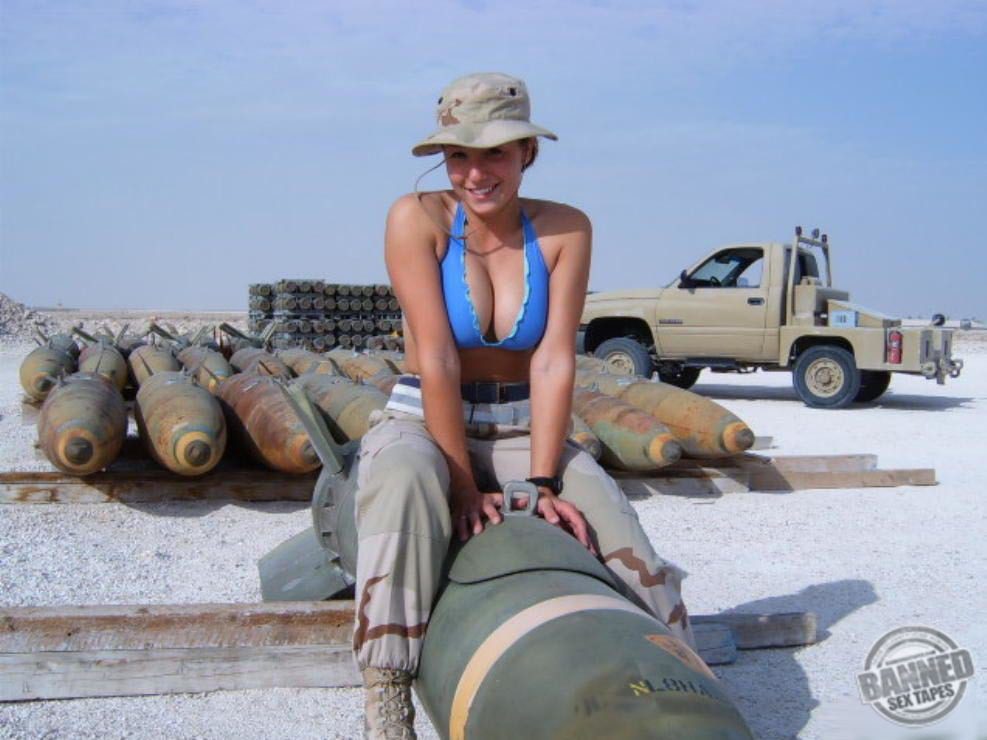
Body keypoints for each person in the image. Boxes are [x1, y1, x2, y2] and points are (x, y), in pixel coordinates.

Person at [355, 72, 696, 739]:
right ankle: (387, 692)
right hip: (423, 417)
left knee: (611, 523)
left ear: (527, 153)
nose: (475, 173)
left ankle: (679, 684)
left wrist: (543, 481)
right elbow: (437, 357)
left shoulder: (566, 229)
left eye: (495, 154)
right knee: (401, 484)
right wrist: (460, 485)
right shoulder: (415, 218)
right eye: (458, 155)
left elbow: (553, 360)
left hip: (520, 424)